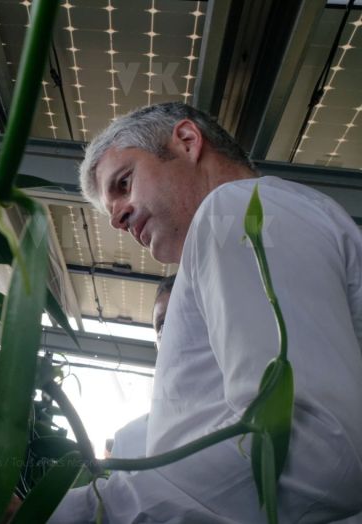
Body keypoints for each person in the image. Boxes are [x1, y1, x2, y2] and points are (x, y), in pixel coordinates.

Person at [48, 102, 362, 522]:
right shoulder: (262, 216)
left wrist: (72, 514)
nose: (117, 219)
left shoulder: (234, 209)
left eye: (124, 183)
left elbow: (313, 447)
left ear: (187, 141)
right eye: (110, 211)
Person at [110, 276, 175, 461]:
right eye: (162, 324)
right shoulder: (128, 440)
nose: (173, 330)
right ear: (157, 345)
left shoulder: (243, 420)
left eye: (183, 315)